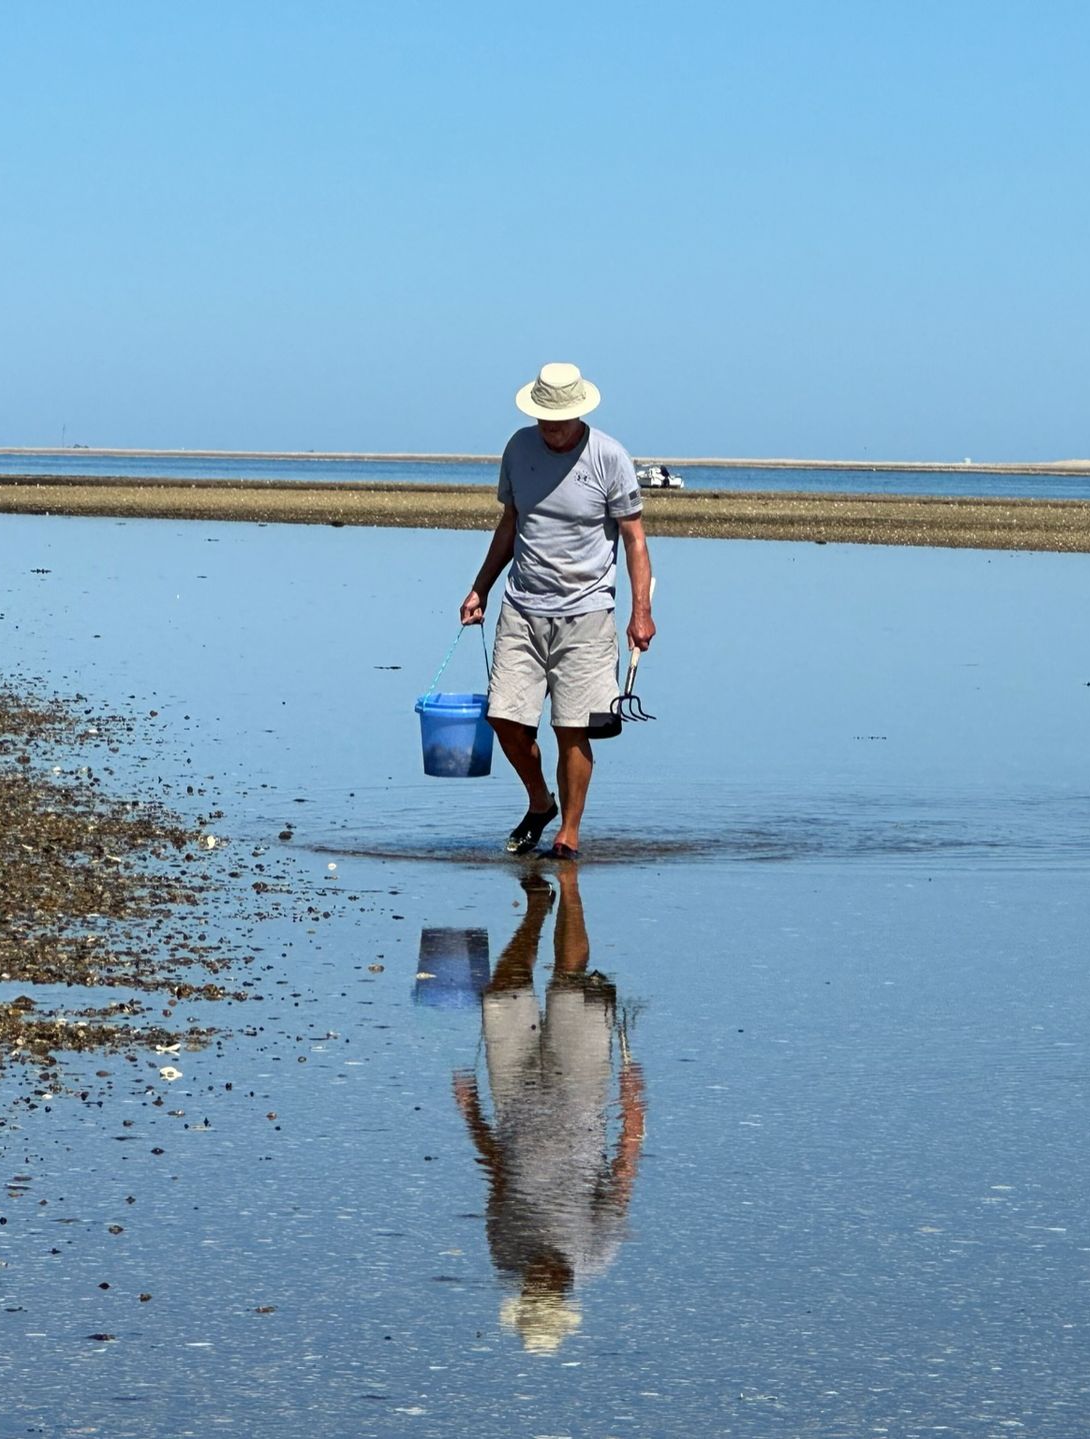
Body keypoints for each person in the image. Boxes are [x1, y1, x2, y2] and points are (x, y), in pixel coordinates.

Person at [461, 362, 656, 860]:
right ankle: (539, 802)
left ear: (580, 412)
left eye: (560, 419)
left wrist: (641, 612)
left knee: (571, 727)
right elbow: (510, 522)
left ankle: (569, 833)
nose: (552, 428)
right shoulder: (518, 448)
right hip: (521, 607)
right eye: (545, 418)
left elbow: (634, 538)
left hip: (587, 612)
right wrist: (480, 587)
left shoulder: (609, 456)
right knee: (503, 717)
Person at [451, 868, 645, 1354]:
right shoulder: (597, 1253)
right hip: (581, 1092)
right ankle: (571, 886)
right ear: (561, 1290)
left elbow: (498, 1179)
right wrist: (633, 1104)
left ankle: (538, 906)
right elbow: (622, 1170)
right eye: (543, 1290)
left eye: (532, 1291)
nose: (536, 1280)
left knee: (500, 993)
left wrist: (472, 1116)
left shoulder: (505, 1255)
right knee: (570, 982)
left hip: (513, 1098)